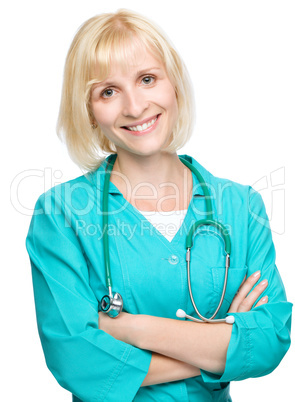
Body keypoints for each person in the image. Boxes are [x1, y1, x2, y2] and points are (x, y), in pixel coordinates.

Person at [26, 9, 292, 402]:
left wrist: (131, 329)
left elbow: (272, 338)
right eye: (108, 91)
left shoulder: (240, 206)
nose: (134, 107)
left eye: (147, 79)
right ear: (89, 112)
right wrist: (222, 346)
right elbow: (77, 359)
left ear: (175, 86)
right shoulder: (61, 214)